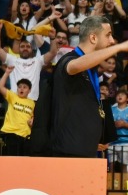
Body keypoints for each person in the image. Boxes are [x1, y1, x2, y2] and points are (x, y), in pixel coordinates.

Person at [50, 16, 128, 157]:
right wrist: (119, 47)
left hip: (85, 147)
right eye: (108, 35)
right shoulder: (69, 60)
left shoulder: (91, 68)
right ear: (93, 38)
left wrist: (93, 139)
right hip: (69, 151)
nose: (111, 41)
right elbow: (74, 65)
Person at [0, 36, 60, 102]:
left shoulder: (37, 61)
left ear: (32, 49)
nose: (25, 48)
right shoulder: (12, 60)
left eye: (28, 47)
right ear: (19, 49)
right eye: (22, 46)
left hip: (32, 101)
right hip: (15, 100)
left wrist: (52, 38)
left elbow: (53, 53)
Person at [0, 72, 35, 156]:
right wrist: (7, 73)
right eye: (19, 87)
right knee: (11, 161)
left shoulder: (32, 103)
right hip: (11, 133)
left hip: (25, 135)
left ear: (29, 90)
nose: (21, 89)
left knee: (23, 163)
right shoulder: (12, 96)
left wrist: (32, 121)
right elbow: (0, 86)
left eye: (24, 87)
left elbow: (33, 117)